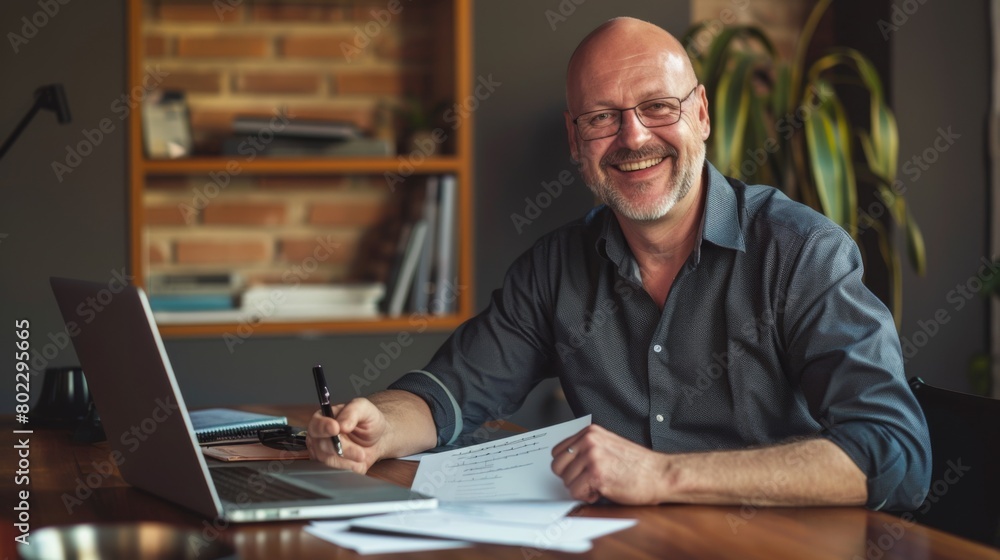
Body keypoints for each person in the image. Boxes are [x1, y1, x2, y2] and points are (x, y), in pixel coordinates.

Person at [307, 17, 930, 511]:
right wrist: (379, 427)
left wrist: (665, 475)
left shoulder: (801, 253)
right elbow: (453, 393)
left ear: (702, 114)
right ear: (576, 140)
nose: (633, 138)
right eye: (603, 117)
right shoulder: (554, 269)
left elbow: (893, 456)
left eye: (659, 106)